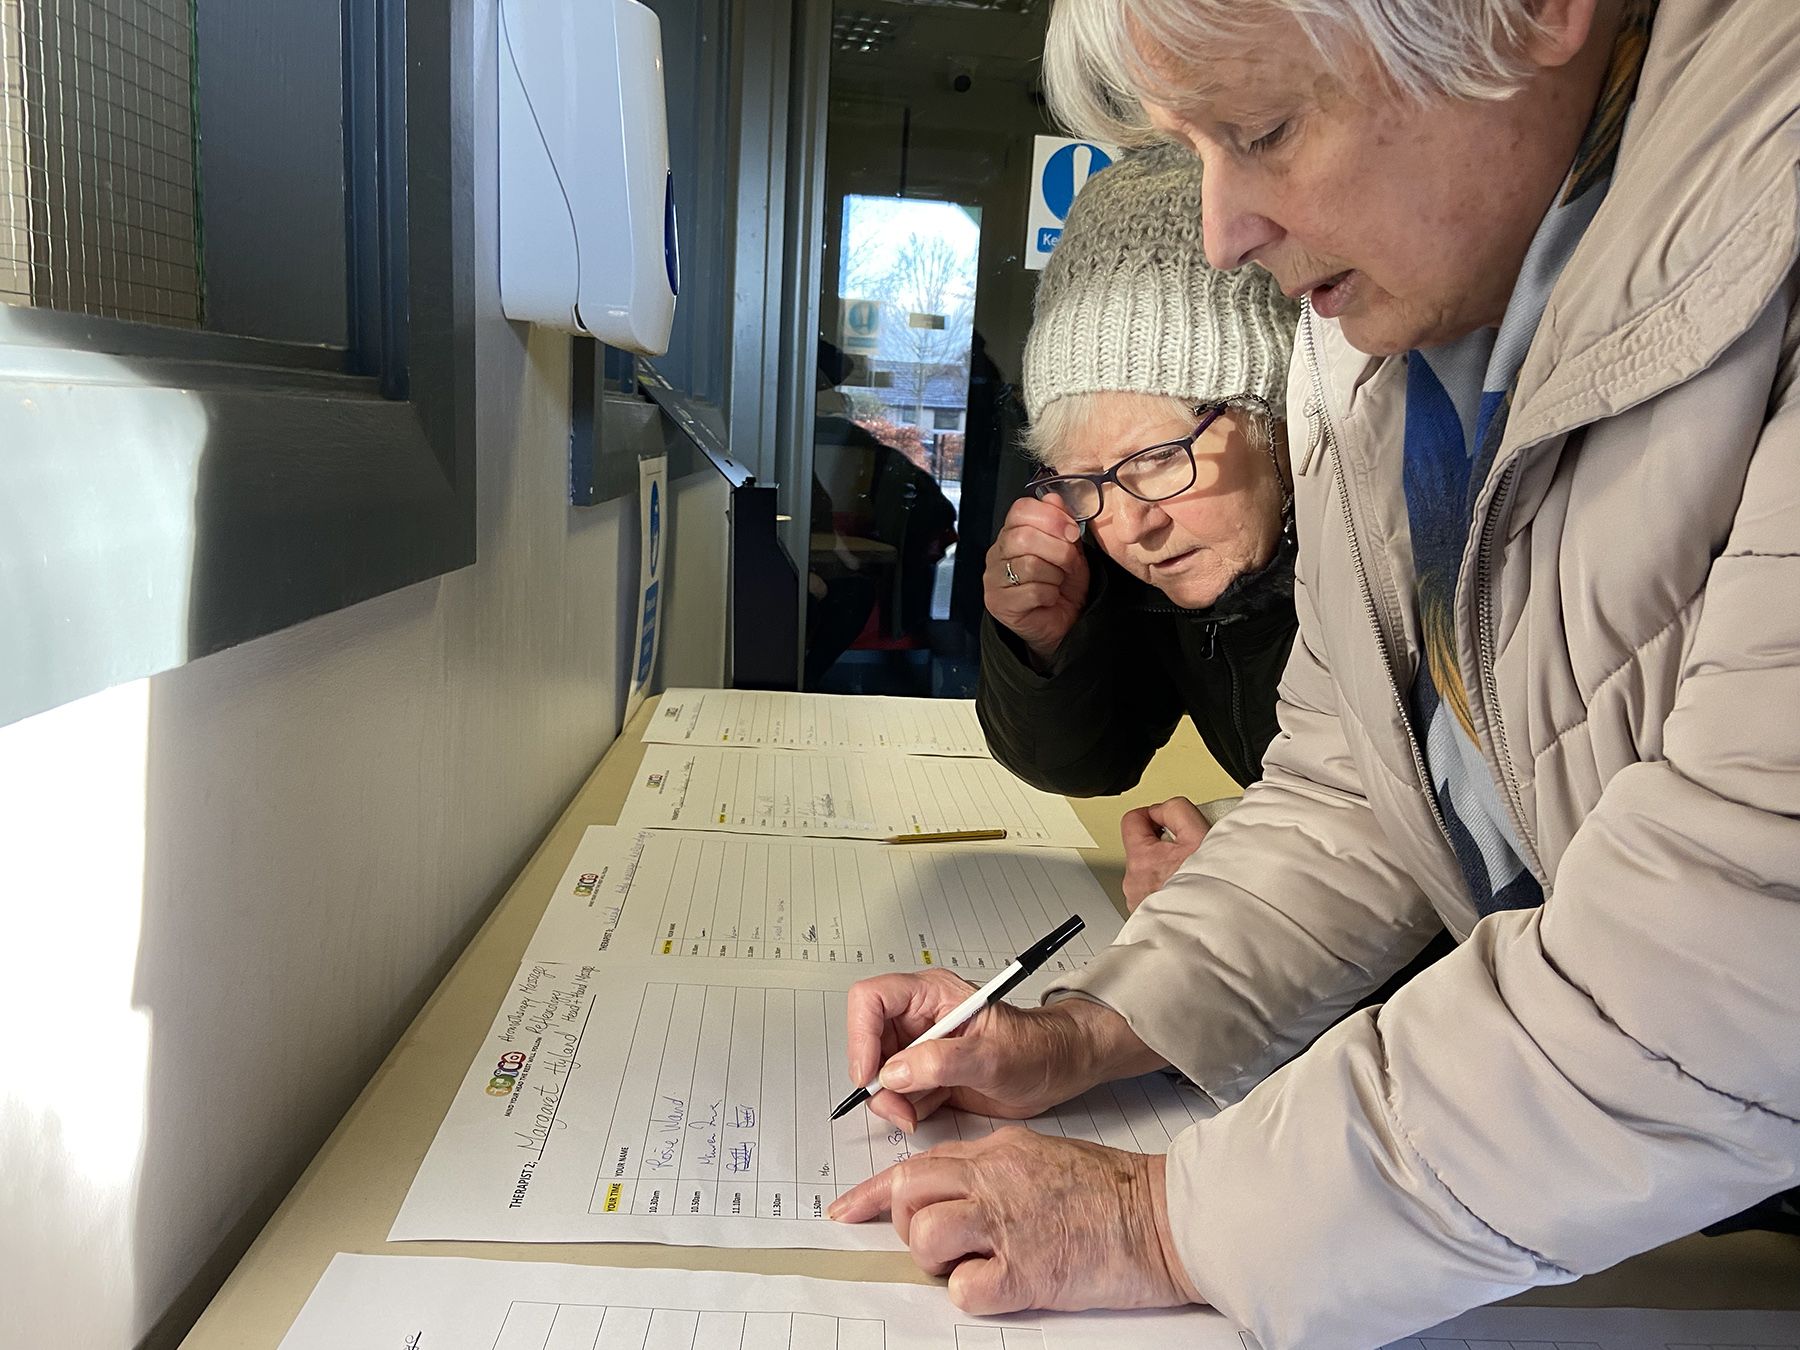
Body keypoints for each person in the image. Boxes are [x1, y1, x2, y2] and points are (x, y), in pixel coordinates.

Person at [829, 2, 1800, 1347]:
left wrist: (1170, 1216)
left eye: (1264, 128)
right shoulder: (1395, 352)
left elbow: (1741, 953)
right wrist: (1090, 1026)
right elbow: (1354, 797)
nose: (1224, 230)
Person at [976, 145, 1300, 906]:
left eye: (1154, 458)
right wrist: (1047, 647)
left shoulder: (1404, 559)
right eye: (1084, 482)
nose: (1129, 527)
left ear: (1275, 416)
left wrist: (1260, 884)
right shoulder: (1181, 554)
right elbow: (1084, 765)